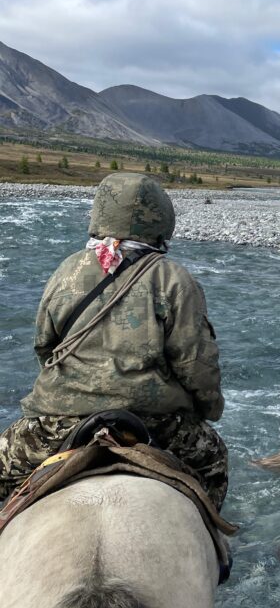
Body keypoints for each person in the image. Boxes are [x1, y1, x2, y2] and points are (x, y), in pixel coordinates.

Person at [0, 172, 228, 508]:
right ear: (161, 220)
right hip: (155, 421)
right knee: (214, 462)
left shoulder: (68, 270)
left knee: (4, 468)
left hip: (58, 420)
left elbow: (45, 345)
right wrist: (210, 408)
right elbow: (195, 362)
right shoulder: (175, 279)